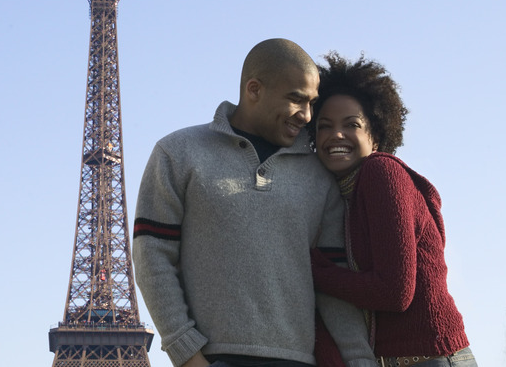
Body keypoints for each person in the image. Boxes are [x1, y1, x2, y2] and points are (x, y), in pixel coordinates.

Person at [132, 39, 377, 367]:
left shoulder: (320, 176)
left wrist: (362, 361)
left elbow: (333, 283)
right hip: (213, 358)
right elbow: (152, 258)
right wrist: (187, 354)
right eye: (295, 99)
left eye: (311, 103)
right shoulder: (177, 153)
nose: (306, 116)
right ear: (254, 89)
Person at [308, 52, 478, 367]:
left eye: (352, 125)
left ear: (375, 135)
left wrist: (312, 272)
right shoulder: (346, 193)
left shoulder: (380, 173)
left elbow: (394, 291)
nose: (336, 135)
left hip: (432, 358)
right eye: (324, 126)